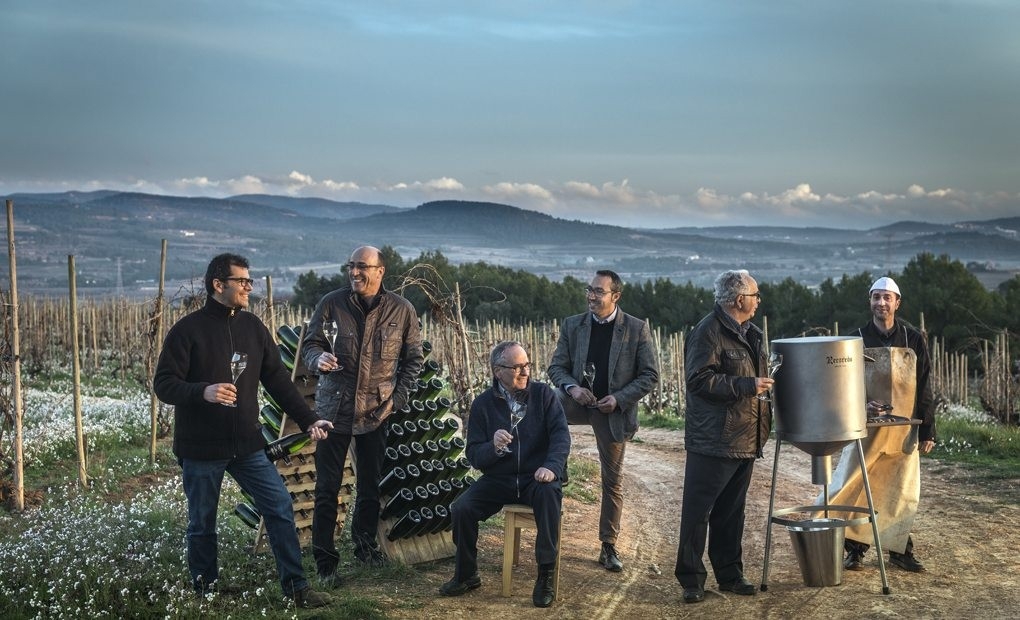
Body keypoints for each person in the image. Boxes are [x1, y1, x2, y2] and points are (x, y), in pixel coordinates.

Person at [154, 253, 334, 608]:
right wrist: (201, 391)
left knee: (280, 506)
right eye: (243, 282)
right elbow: (164, 384)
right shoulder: (187, 331)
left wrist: (309, 418)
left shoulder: (253, 327)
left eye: (250, 281)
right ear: (218, 285)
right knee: (202, 522)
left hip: (247, 446)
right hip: (201, 448)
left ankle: (296, 588)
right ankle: (206, 592)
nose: (249, 288)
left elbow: (278, 382)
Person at [301, 245, 424, 585]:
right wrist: (317, 360)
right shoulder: (331, 302)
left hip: (377, 411)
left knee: (370, 486)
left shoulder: (402, 310)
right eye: (351, 266)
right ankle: (325, 562)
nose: (355, 272)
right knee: (327, 487)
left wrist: (396, 400)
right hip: (333, 409)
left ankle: (365, 546)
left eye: (362, 267)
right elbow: (311, 343)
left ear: (380, 271)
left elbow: (413, 360)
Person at [439, 340, 570, 608]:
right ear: (498, 371)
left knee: (549, 497)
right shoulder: (483, 405)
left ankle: (545, 573)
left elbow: (561, 438)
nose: (525, 372)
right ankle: (466, 574)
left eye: (527, 365)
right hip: (501, 479)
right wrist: (493, 447)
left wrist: (552, 467)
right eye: (517, 367)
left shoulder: (545, 396)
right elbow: (474, 454)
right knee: (462, 508)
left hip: (538, 477)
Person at [547, 269, 659, 572]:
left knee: (612, 481)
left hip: (612, 410)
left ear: (616, 296)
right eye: (590, 289)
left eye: (599, 291)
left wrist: (619, 399)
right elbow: (556, 368)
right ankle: (560, 464)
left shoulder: (636, 329)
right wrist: (572, 387)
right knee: (550, 400)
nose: (592, 296)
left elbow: (650, 375)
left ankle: (608, 546)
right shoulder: (573, 325)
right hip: (578, 401)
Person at [674, 269, 772, 604]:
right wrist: (747, 386)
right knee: (698, 511)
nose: (759, 301)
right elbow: (699, 381)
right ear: (739, 299)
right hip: (713, 438)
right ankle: (691, 579)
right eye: (755, 295)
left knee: (732, 512)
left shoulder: (752, 333)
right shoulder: (708, 332)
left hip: (745, 437)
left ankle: (730, 574)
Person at [840, 276, 936, 573]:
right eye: (876, 297)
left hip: (904, 428)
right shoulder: (854, 338)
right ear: (870, 301)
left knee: (900, 491)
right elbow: (843, 384)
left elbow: (924, 385)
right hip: (866, 429)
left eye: (886, 297)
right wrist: (858, 408)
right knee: (858, 486)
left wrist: (928, 429)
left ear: (897, 303)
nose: (881, 303)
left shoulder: (913, 339)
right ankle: (855, 550)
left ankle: (899, 550)